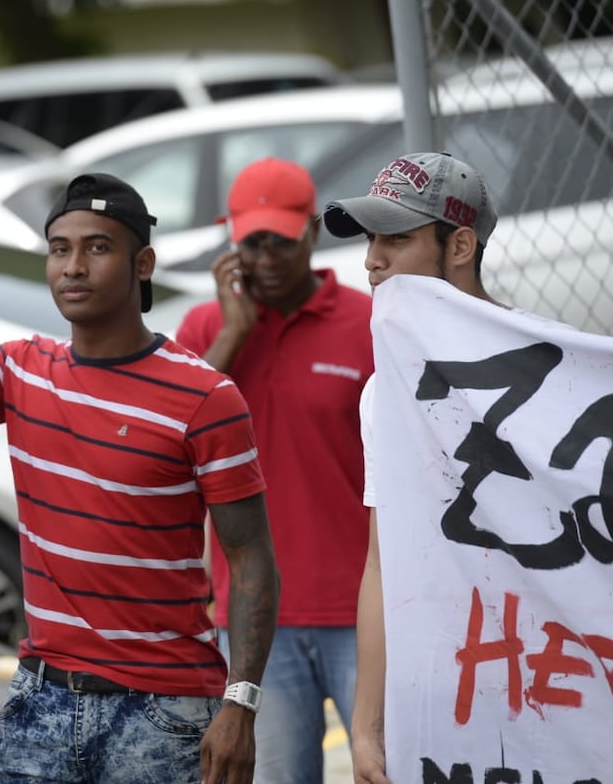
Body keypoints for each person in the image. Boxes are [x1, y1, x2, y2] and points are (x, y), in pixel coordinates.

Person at [0, 172, 280, 784]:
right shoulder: (18, 370)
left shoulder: (206, 397)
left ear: (142, 262)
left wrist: (241, 704)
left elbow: (251, 557)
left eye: (97, 247)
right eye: (60, 248)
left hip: (164, 711)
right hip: (40, 701)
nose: (73, 266)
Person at [174, 157, 373, 784]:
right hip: (260, 620)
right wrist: (233, 335)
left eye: (280, 240)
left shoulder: (367, 323)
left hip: (364, 607)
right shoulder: (206, 330)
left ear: (312, 232)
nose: (265, 257)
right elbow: (170, 442)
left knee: (387, 767)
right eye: (250, 241)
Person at [320, 151, 501, 784]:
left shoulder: (555, 376)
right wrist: (367, 727)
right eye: (370, 240)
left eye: (395, 239)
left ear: (460, 245)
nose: (372, 261)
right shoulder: (384, 393)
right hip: (436, 688)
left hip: (549, 680)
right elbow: (381, 561)